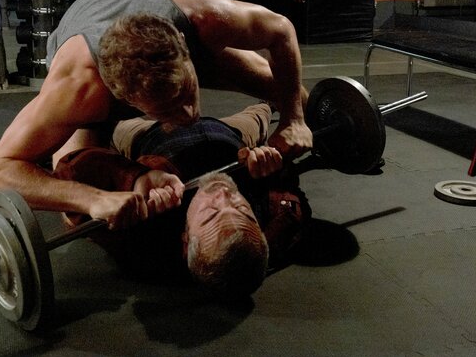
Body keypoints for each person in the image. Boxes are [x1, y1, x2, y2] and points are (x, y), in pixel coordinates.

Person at [0, 0, 313, 228]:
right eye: (167, 110)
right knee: (76, 213)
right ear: (124, 99)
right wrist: (95, 199)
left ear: (183, 47)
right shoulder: (78, 92)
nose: (189, 114)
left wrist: (294, 120)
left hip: (148, 9)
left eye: (186, 93)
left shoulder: (204, 19)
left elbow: (281, 30)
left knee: (298, 97)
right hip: (84, 37)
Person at [53, 102, 311, 298]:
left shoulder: (146, 243)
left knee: (93, 112)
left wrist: (134, 179)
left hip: (153, 134)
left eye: (211, 213)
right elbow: (293, 199)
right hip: (231, 136)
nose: (223, 195)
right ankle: (268, 106)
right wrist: (272, 166)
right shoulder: (276, 225)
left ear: (186, 240)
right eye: (242, 210)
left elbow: (72, 175)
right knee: (261, 112)